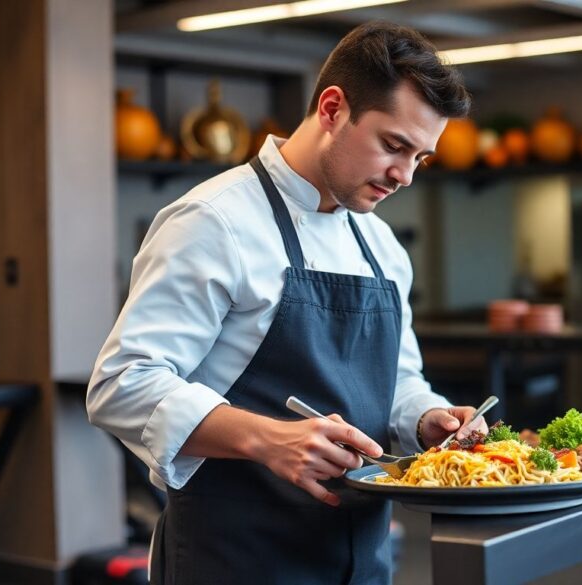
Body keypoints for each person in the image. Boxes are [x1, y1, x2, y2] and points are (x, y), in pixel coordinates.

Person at [87, 22, 482, 584]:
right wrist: (267, 438)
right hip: (236, 557)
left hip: (363, 557)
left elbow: (396, 379)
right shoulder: (214, 221)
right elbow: (121, 383)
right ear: (332, 109)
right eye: (393, 146)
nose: (404, 176)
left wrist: (425, 418)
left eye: (421, 158)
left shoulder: (382, 246)